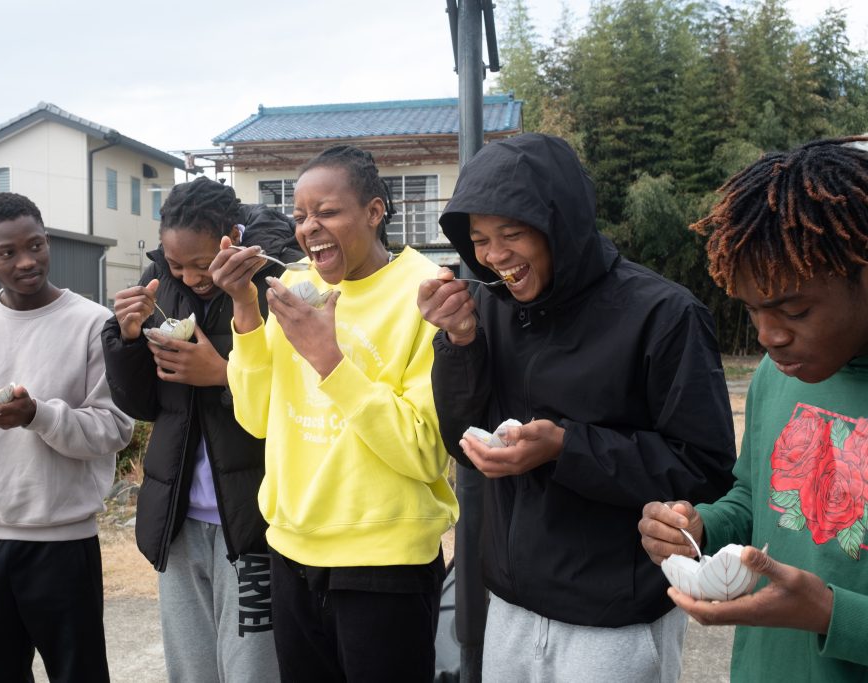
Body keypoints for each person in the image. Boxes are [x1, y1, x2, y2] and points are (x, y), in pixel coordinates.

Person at [417, 133, 737, 682]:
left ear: (560, 225)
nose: (494, 256)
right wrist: (461, 342)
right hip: (512, 605)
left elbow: (704, 471)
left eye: (511, 234)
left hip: (613, 618)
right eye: (480, 240)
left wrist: (566, 447)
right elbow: (463, 446)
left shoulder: (663, 315)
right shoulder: (488, 310)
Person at [209, 145, 458, 682]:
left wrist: (329, 359)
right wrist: (246, 309)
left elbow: (423, 450)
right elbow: (256, 419)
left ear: (374, 212)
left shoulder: (427, 293)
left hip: (386, 556)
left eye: (327, 212)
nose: (308, 228)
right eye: (299, 217)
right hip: (292, 548)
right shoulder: (299, 287)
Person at [638, 137, 868, 681]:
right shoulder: (777, 375)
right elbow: (754, 496)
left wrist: (834, 615)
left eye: (794, 310)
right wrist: (699, 527)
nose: (769, 337)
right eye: (752, 310)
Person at [0, 192, 134, 683]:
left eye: (35, 245)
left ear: (47, 240)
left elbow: (114, 429)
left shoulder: (94, 323)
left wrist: (36, 415)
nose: (27, 260)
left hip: (64, 543)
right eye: (8, 252)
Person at [101, 177, 301, 682]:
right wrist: (126, 339)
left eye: (202, 263)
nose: (189, 277)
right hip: (179, 515)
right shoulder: (157, 285)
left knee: (253, 670)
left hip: (253, 516)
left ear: (231, 236)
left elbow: (303, 397)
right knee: (190, 669)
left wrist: (223, 373)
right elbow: (144, 404)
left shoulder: (277, 281)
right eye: (175, 265)